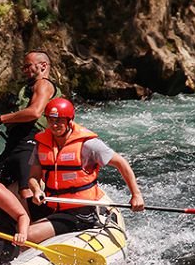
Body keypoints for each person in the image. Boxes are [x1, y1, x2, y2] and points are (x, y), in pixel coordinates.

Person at [27, 98, 144, 243]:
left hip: (81, 212)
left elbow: (121, 163)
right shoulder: (41, 144)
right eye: (50, 120)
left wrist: (136, 194)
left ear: (69, 120)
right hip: (52, 205)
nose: (54, 125)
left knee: (29, 235)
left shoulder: (88, 145)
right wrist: (36, 190)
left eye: (59, 121)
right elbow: (33, 177)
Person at [0, 50, 62, 210]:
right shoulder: (30, 87)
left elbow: (34, 112)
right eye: (23, 67)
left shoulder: (43, 84)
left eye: (28, 66)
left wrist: (0, 119)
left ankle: (30, 228)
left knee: (25, 189)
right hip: (16, 144)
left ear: (43, 66)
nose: (24, 70)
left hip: (29, 143)